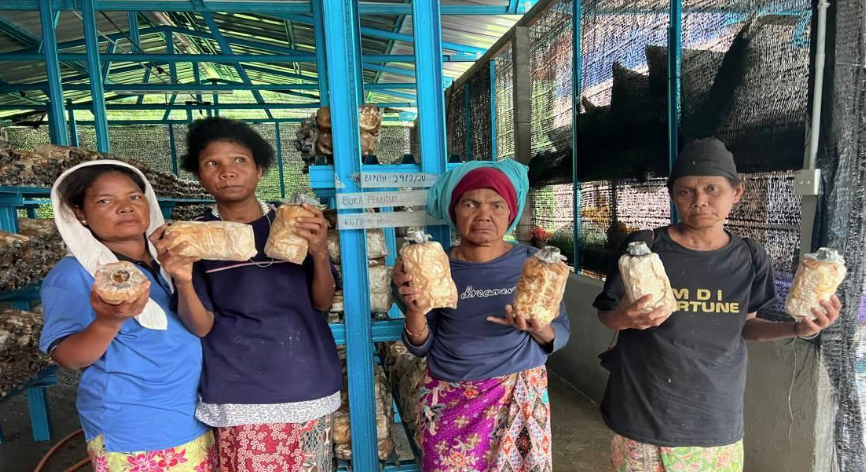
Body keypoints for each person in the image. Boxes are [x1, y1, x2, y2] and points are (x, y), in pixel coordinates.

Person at [593, 137, 841, 472]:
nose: (699, 200)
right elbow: (606, 315)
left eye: (712, 189)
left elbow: (745, 326)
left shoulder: (750, 257)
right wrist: (623, 317)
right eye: (686, 191)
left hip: (714, 417)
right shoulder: (645, 249)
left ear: (736, 193)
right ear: (673, 195)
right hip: (644, 411)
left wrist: (799, 327)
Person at [154, 117, 341, 472]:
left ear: (259, 170)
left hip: (305, 375)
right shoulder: (192, 238)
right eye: (213, 164)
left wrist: (318, 251)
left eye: (239, 160)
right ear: (199, 176)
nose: (227, 172)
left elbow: (321, 302)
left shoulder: (292, 223)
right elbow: (201, 326)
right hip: (240, 386)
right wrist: (181, 278)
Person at [394, 160, 571, 472]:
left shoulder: (536, 263)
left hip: (519, 392)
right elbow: (420, 345)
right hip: (451, 396)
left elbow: (561, 331)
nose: (484, 215)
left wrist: (538, 327)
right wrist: (415, 310)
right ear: (454, 211)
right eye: (470, 203)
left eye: (497, 205)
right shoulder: (431, 264)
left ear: (510, 214)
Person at [40, 161, 215, 472]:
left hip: (190, 416)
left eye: (134, 197)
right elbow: (67, 356)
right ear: (80, 213)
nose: (125, 208)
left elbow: (200, 328)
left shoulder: (168, 261)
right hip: (136, 429)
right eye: (105, 201)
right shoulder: (75, 274)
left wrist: (184, 279)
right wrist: (109, 321)